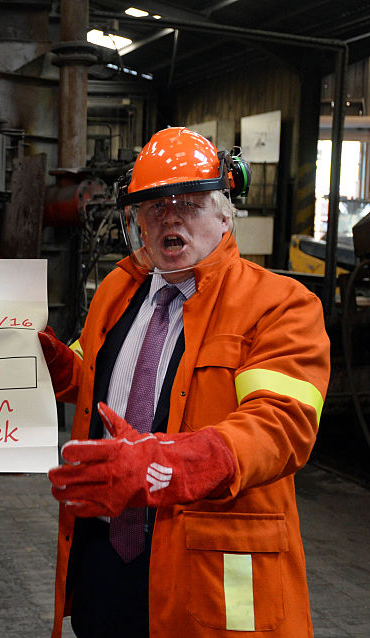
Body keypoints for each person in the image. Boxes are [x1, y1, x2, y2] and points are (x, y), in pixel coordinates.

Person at [42, 127, 330, 638]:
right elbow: (89, 380)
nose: (170, 217)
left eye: (190, 204)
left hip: (208, 570)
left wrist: (171, 464)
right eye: (155, 206)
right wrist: (40, 356)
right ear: (137, 220)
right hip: (103, 560)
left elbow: (281, 425)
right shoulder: (118, 290)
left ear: (225, 215)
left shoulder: (280, 305)